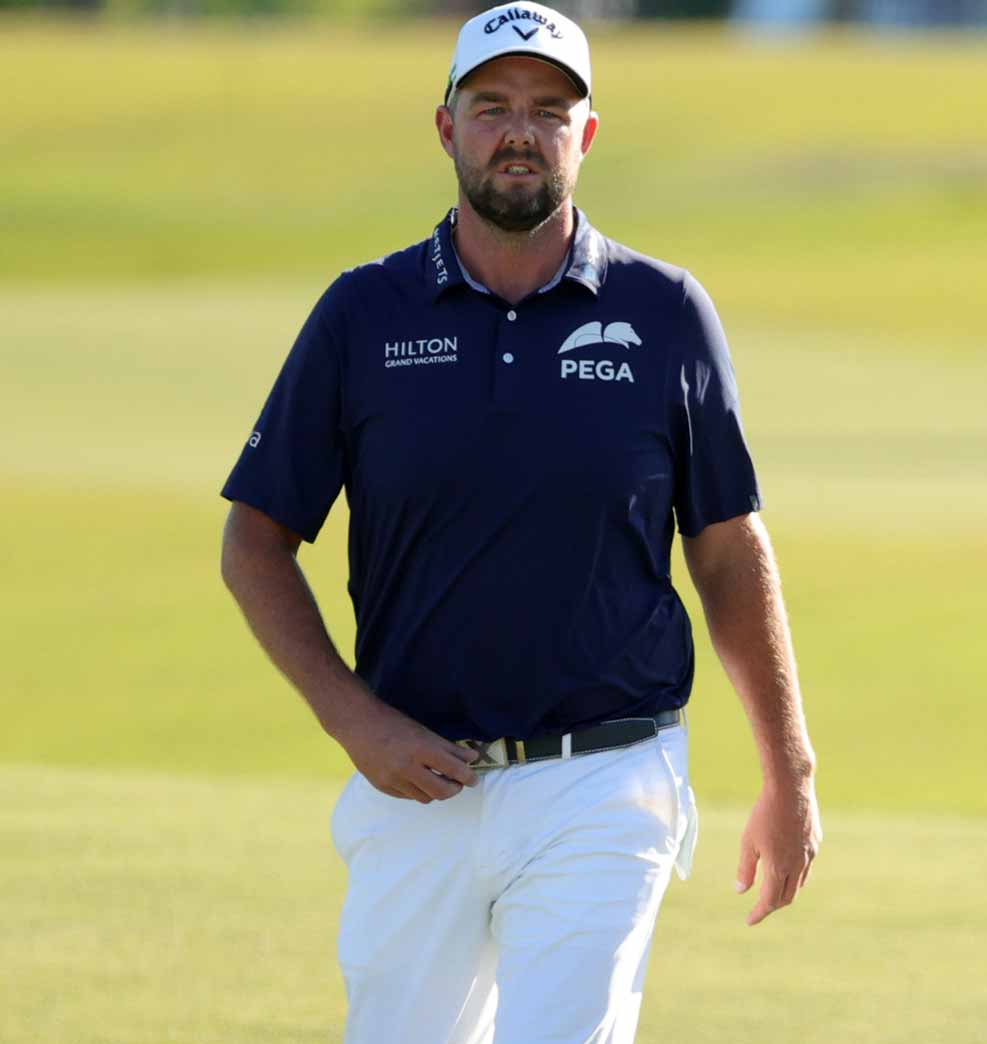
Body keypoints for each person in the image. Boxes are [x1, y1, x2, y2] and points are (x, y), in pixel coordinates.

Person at [218, 5, 821, 1041]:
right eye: (491, 105)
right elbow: (254, 541)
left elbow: (727, 550)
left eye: (549, 110)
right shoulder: (363, 314)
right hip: (415, 785)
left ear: (584, 137)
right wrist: (352, 719)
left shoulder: (664, 310)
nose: (519, 131)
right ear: (445, 126)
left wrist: (788, 771)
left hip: (605, 777)